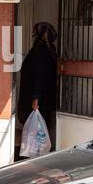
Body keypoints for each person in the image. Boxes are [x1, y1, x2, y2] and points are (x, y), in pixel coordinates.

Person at [17, 22, 58, 152]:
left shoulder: (41, 52)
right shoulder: (45, 51)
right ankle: (36, 152)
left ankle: (36, 153)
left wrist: (35, 98)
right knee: (37, 130)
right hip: (40, 98)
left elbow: (39, 76)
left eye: (36, 34)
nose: (33, 36)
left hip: (38, 99)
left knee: (37, 130)